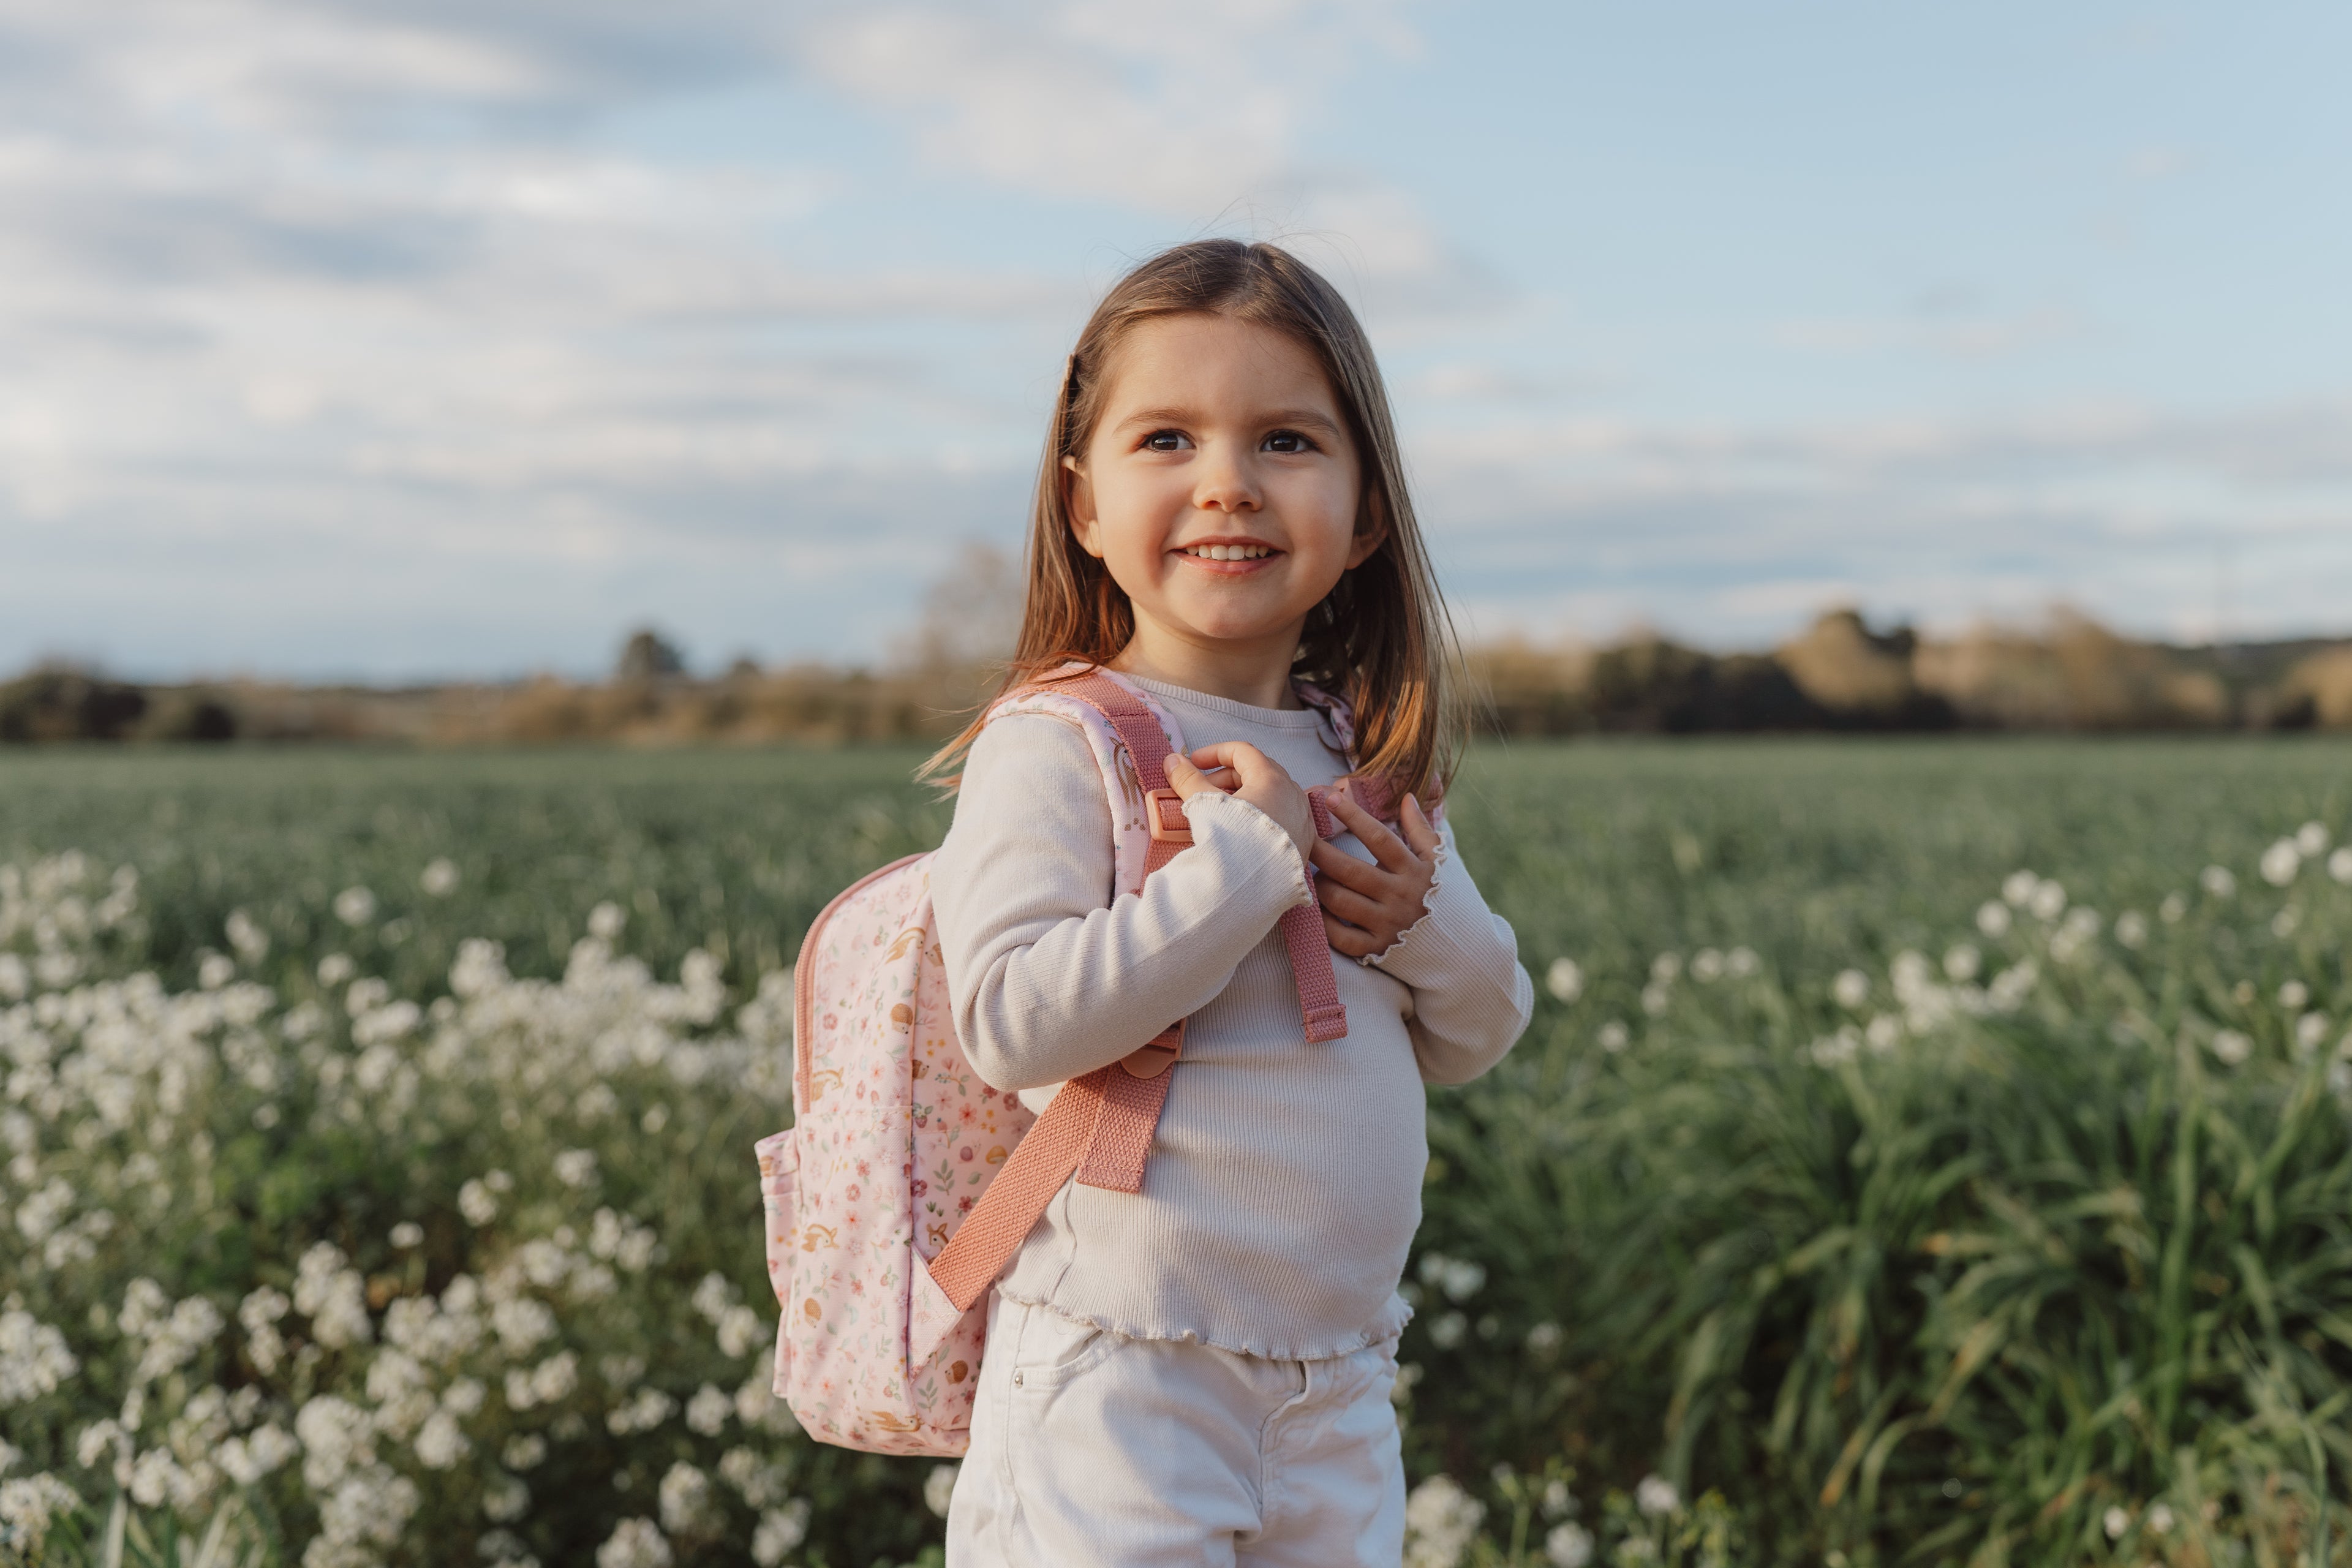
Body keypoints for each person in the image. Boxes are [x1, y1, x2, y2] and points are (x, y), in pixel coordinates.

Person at [927, 238, 1534, 1566]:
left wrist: (1423, 921)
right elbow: (1011, 1017)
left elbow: (1479, 1026)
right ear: (1082, 503)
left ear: (1367, 510)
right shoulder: (1060, 739)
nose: (1228, 484)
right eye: (1166, 438)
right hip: (1123, 1381)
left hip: (1334, 1389)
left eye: (1287, 441)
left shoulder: (1362, 750)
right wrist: (1245, 871)